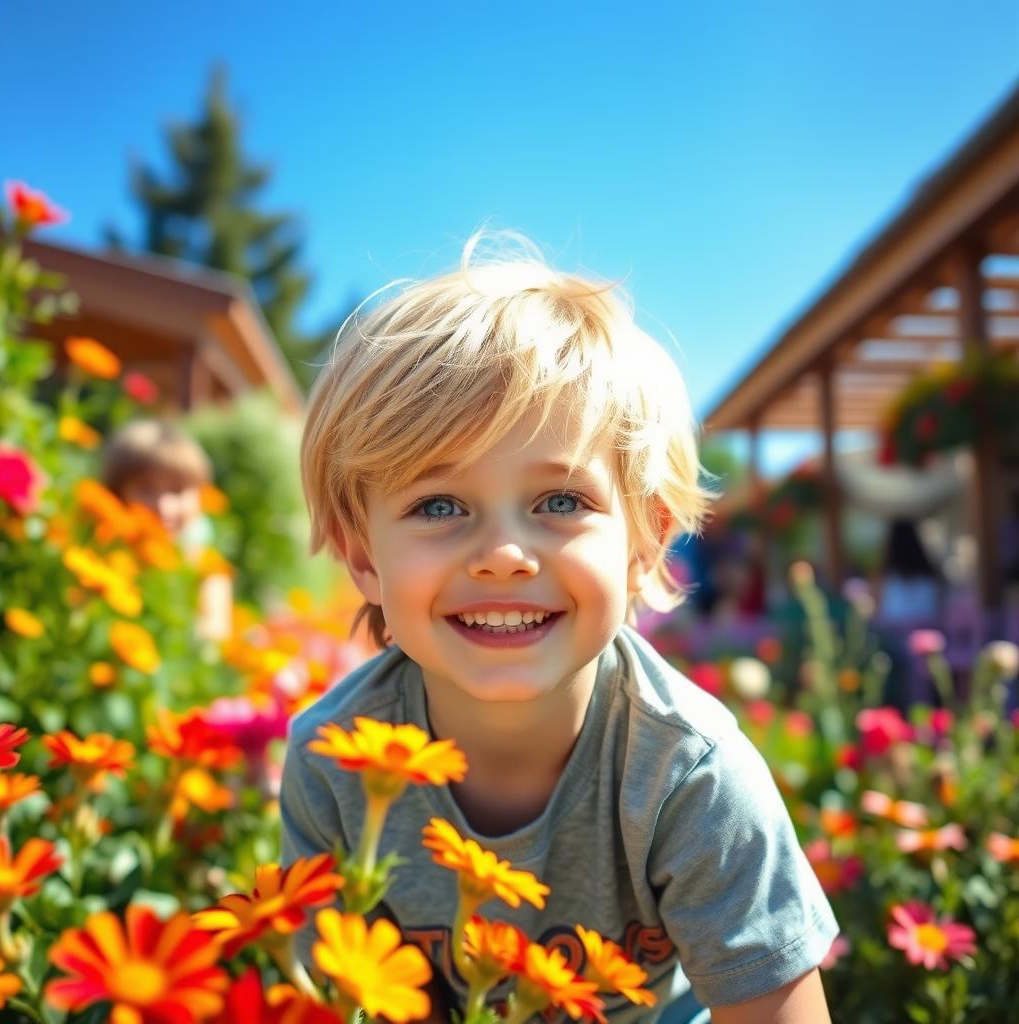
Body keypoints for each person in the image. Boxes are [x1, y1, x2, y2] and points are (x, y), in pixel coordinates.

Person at [281, 235, 837, 1023]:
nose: (504, 555)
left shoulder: (691, 776)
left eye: (560, 502)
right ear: (363, 557)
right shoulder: (331, 762)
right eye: (439, 506)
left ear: (645, 543)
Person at [102, 419, 232, 641]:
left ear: (200, 495)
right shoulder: (105, 549)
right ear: (117, 493)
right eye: (146, 489)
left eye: (178, 490)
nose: (164, 506)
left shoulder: (208, 570)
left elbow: (214, 635)